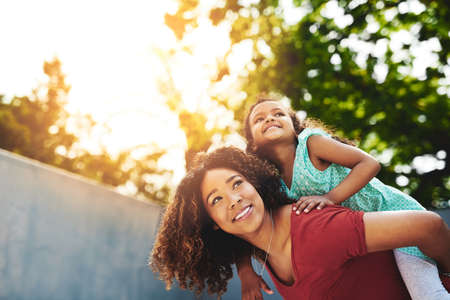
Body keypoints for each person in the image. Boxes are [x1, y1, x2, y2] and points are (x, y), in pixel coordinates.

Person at [150, 147, 450, 300]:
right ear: (212, 224)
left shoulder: (315, 229)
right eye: (216, 200)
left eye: (237, 184)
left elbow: (428, 227)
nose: (234, 200)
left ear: (254, 185)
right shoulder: (261, 251)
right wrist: (245, 272)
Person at [237, 97, 450, 300]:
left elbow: (369, 163)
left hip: (394, 216)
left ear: (295, 127)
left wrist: (331, 197)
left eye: (278, 114)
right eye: (259, 119)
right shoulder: (269, 182)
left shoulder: (311, 145)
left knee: (427, 294)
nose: (270, 119)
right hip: (368, 238)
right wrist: (245, 270)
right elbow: (247, 223)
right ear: (252, 144)